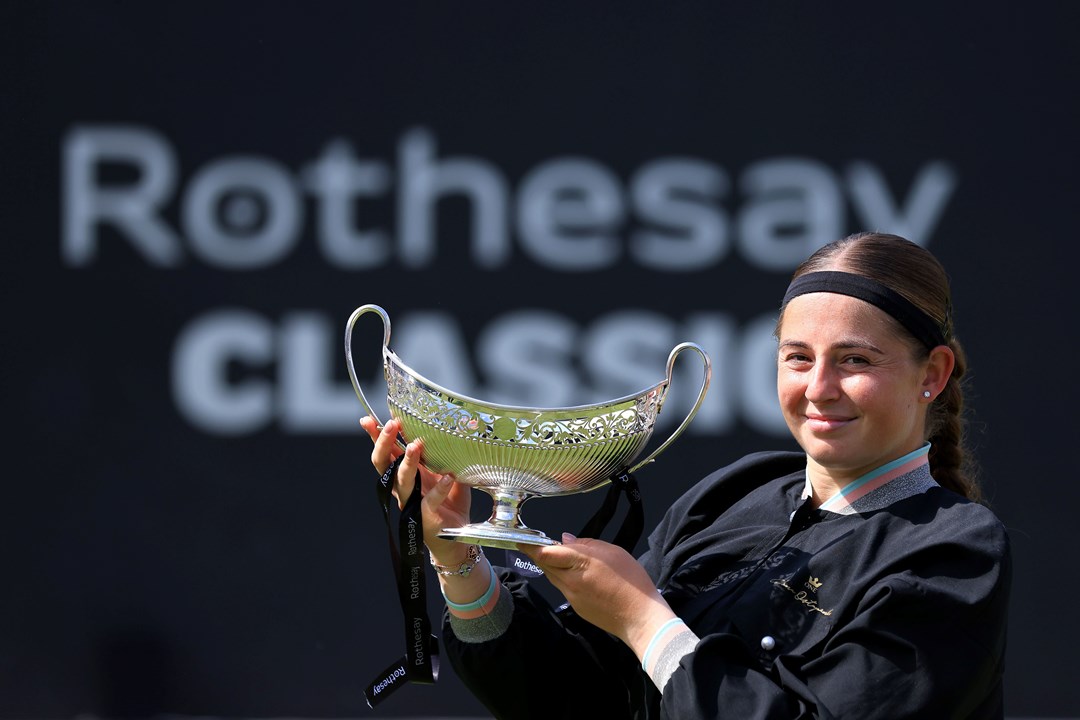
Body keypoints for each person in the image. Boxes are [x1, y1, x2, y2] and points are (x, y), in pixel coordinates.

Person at [360, 231, 1011, 719]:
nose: (819, 388)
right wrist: (458, 557)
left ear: (932, 374)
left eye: (854, 360)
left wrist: (646, 621)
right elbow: (577, 702)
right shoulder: (739, 493)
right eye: (797, 357)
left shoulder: (952, 553)